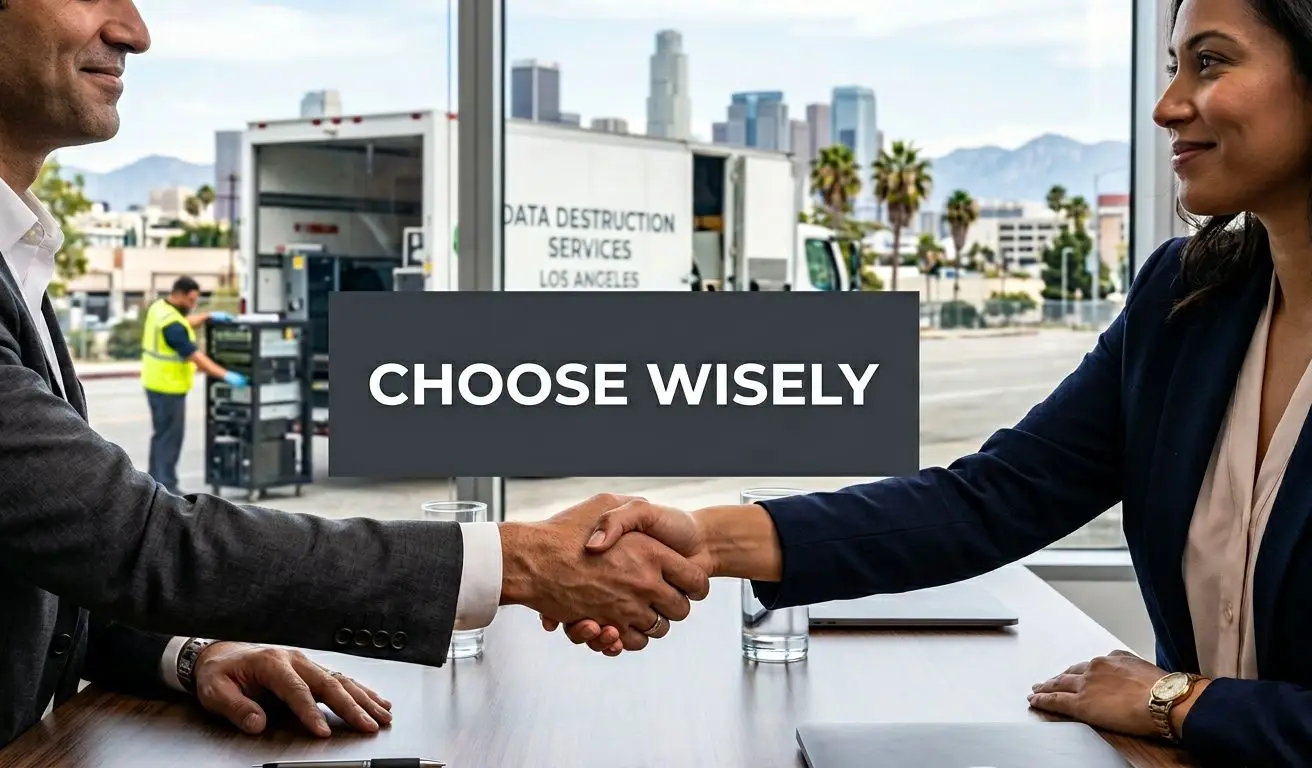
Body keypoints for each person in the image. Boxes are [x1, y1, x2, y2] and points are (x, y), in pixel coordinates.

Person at [0, 3, 705, 766]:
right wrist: (525, 561)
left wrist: (190, 654)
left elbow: (48, 556)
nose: (134, 30)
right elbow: (131, 540)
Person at [551, 0, 1312, 764]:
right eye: (1174, 64)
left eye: (1210, 62)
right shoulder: (1183, 301)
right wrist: (704, 540)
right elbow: (990, 499)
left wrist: (1175, 700)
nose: (1167, 104)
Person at [140, 275, 248, 495]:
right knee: (170, 438)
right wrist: (226, 375)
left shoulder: (160, 308)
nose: (193, 304)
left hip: (157, 383)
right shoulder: (172, 325)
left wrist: (207, 316)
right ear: (179, 295)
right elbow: (194, 356)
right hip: (167, 386)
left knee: (162, 435)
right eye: (191, 300)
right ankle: (166, 486)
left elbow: (183, 323)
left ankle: (155, 481)